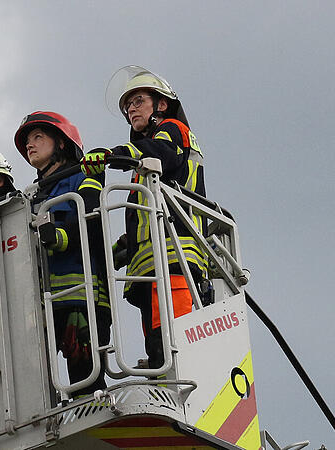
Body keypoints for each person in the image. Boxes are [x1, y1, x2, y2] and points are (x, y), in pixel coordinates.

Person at [80, 66, 208, 370]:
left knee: (175, 339)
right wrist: (119, 249)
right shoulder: (145, 167)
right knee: (157, 337)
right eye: (127, 106)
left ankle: (172, 371)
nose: (131, 110)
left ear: (160, 104)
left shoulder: (173, 130)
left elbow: (162, 151)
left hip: (175, 254)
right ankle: (158, 366)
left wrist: (113, 154)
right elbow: (144, 216)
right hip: (151, 262)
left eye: (138, 101)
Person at [14, 111, 111, 397]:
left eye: (38, 137)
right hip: (44, 304)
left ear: (62, 143)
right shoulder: (29, 196)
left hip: (83, 299)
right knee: (36, 390)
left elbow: (89, 218)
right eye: (27, 141)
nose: (30, 145)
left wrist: (60, 235)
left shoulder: (81, 177)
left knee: (86, 384)